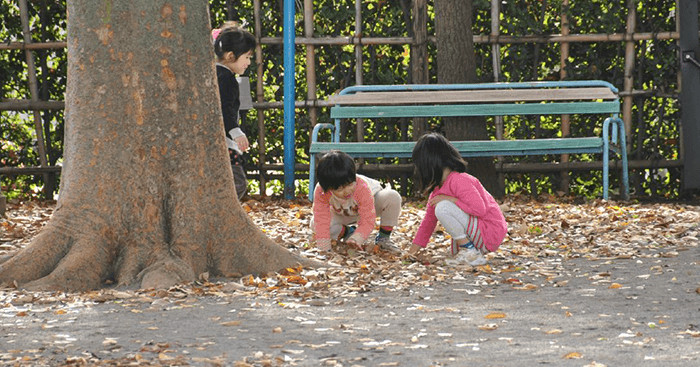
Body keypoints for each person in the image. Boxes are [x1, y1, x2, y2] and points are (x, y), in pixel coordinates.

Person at [407, 132, 507, 266]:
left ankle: (469, 250)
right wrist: (411, 252)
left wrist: (451, 199)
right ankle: (469, 250)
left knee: (442, 207)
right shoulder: (438, 190)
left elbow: (480, 209)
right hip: (478, 232)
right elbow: (428, 223)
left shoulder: (460, 180)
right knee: (441, 206)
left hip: (489, 231)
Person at [311, 150, 402, 253]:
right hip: (342, 213)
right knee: (315, 223)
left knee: (393, 197)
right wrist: (324, 249)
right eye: (340, 189)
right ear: (328, 188)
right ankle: (347, 232)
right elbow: (321, 218)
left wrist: (358, 237)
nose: (347, 191)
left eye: (350, 184)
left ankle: (383, 239)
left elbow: (367, 219)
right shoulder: (321, 191)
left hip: (371, 206)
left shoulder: (361, 186)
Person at [214, 25, 255, 200]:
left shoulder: (214, 74)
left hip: (216, 142)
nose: (249, 62)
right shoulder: (227, 79)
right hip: (226, 144)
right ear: (231, 56)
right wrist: (235, 132)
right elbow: (225, 108)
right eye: (247, 57)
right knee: (238, 184)